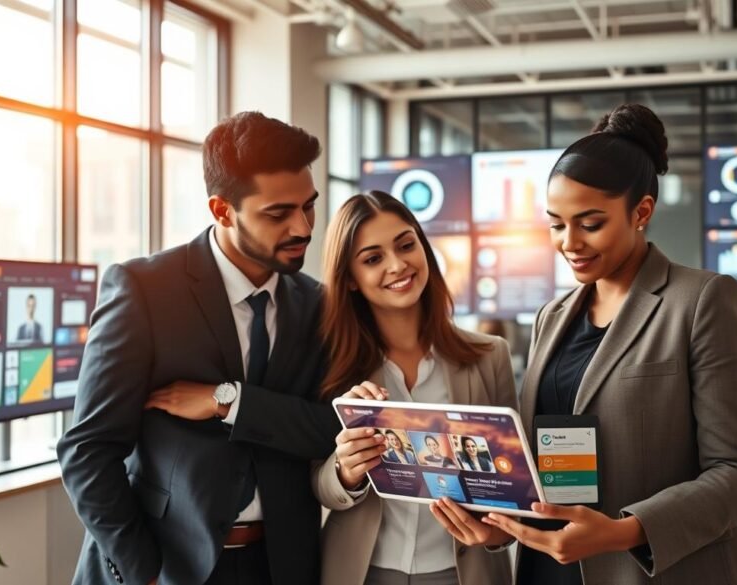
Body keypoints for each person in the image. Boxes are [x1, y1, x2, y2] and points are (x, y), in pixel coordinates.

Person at [438, 104, 737, 585]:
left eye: (590, 223)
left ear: (642, 212)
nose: (569, 242)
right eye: (556, 224)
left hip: (651, 572)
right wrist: (498, 529)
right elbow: (545, 467)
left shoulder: (700, 301)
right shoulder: (552, 317)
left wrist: (621, 532)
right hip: (546, 570)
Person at [57, 112, 338, 585]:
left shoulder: (319, 305)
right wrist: (140, 568)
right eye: (278, 213)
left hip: (281, 566)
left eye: (308, 206)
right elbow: (88, 449)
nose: (303, 227)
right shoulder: (144, 290)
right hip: (167, 566)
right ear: (222, 210)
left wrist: (225, 401)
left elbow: (331, 427)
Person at [311, 191, 516, 585]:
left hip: (465, 572)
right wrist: (345, 470)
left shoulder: (491, 356)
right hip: (362, 572)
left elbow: (515, 486)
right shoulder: (335, 367)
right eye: (373, 258)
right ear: (350, 279)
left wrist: (496, 535)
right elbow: (316, 482)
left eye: (406, 245)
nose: (398, 264)